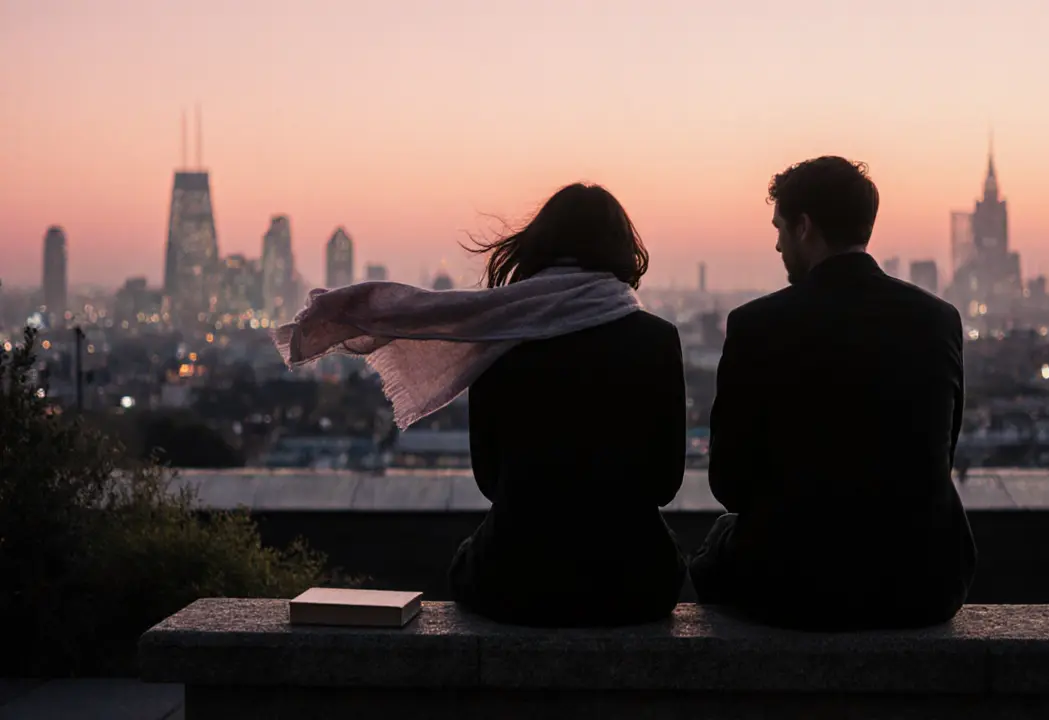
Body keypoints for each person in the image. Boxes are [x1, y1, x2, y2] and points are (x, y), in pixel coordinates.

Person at [275, 183, 688, 627]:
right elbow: (664, 484)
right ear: (623, 252)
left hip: (513, 581)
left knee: (467, 557)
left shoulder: (501, 338)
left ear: (537, 247)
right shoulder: (656, 339)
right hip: (635, 584)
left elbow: (490, 480)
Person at [689, 156, 977, 630]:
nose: (777, 243)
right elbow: (937, 457)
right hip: (923, 584)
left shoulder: (756, 326)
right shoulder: (938, 320)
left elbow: (730, 484)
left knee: (719, 542)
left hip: (793, 586)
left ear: (804, 227)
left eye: (780, 227)